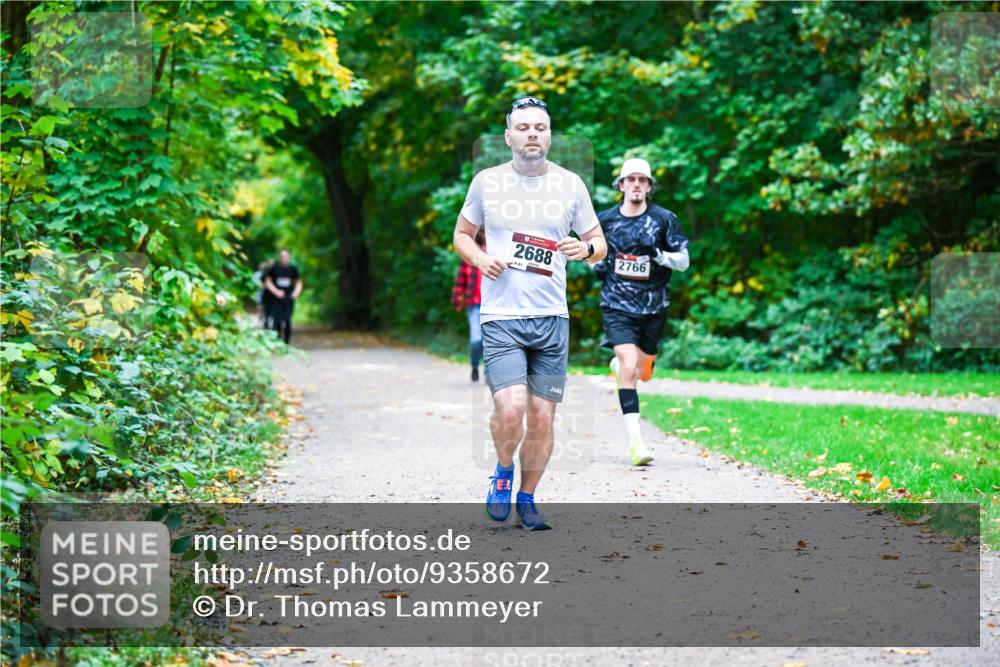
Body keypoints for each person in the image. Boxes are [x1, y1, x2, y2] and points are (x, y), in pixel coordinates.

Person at [453, 95, 607, 530]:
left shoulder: (570, 185)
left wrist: (585, 249)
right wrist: (481, 260)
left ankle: (528, 498)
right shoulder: (487, 182)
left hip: (552, 317)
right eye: (523, 127)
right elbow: (462, 235)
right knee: (511, 409)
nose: (532, 133)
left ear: (550, 135)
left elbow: (599, 244)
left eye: (540, 127)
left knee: (542, 416)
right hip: (501, 315)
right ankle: (503, 471)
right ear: (508, 137)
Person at [594, 158, 690, 466]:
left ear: (649, 187)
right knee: (630, 366)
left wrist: (660, 256)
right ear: (621, 185)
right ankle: (637, 443)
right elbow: (591, 255)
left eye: (642, 180)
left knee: (643, 372)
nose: (636, 184)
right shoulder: (605, 221)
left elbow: (684, 261)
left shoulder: (664, 219)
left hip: (653, 307)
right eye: (630, 179)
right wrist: (599, 264)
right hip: (616, 304)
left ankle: (626, 366)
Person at [452, 227, 487, 381]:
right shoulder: (470, 256)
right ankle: (474, 365)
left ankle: (488, 373)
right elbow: (460, 281)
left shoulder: (497, 253)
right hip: (474, 305)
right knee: (476, 339)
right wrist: (457, 299)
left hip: (492, 306)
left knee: (490, 342)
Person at [264, 249, 303, 344]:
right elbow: (267, 282)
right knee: (276, 321)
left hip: (288, 298)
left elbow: (298, 282)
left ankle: (287, 342)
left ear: (289, 256)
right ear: (280, 257)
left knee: (288, 320)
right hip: (276, 299)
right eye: (283, 256)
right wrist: (276, 291)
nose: (284, 258)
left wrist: (295, 293)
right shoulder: (274, 268)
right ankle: (278, 341)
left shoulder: (293, 269)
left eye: (286, 256)